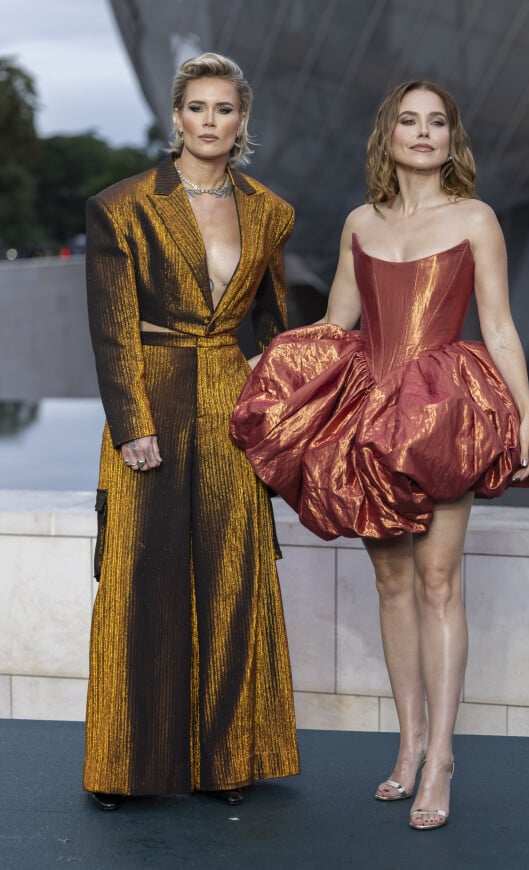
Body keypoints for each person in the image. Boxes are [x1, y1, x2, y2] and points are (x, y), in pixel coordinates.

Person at [230, 80, 529, 830]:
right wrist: (269, 367)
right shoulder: (359, 222)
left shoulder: (476, 217)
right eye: (409, 121)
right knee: (390, 580)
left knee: (440, 581)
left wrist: (522, 411)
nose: (423, 133)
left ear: (451, 138)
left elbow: (499, 324)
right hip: (373, 417)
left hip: (446, 411)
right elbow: (337, 326)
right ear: (390, 135)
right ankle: (407, 745)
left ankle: (441, 756)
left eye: (436, 122)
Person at [84, 52, 300, 810]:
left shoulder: (269, 210)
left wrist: (287, 414)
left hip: (231, 403)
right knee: (141, 580)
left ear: (243, 121)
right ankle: (126, 764)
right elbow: (112, 331)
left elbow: (276, 326)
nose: (211, 122)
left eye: (226, 109)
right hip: (154, 395)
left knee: (232, 578)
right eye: (198, 108)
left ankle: (225, 759)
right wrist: (131, 425)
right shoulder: (123, 205)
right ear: (177, 116)